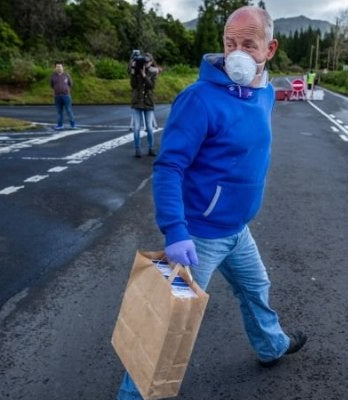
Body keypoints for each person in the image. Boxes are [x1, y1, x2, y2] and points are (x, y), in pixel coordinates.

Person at [117, 6, 307, 399]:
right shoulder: (198, 99)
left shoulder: (265, 93)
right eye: (229, 43)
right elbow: (169, 166)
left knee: (256, 289)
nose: (236, 52)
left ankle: (271, 346)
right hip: (198, 239)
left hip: (237, 230)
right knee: (168, 325)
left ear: (269, 49)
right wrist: (175, 230)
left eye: (248, 44)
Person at [130, 52, 157, 157]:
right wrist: (133, 72)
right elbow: (133, 85)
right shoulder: (137, 71)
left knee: (149, 127)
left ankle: (151, 148)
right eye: (145, 62)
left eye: (148, 62)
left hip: (148, 102)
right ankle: (137, 149)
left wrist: (145, 76)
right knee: (136, 127)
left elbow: (152, 86)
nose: (146, 64)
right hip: (137, 101)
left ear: (151, 62)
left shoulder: (153, 72)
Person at [50, 61, 75, 130]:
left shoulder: (67, 75)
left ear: (63, 67)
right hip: (57, 96)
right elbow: (52, 85)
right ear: (55, 68)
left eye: (60, 67)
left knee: (69, 110)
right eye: (57, 67)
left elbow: (70, 84)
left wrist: (67, 92)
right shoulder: (53, 76)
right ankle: (60, 125)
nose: (59, 68)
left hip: (66, 96)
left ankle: (73, 125)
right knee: (59, 111)